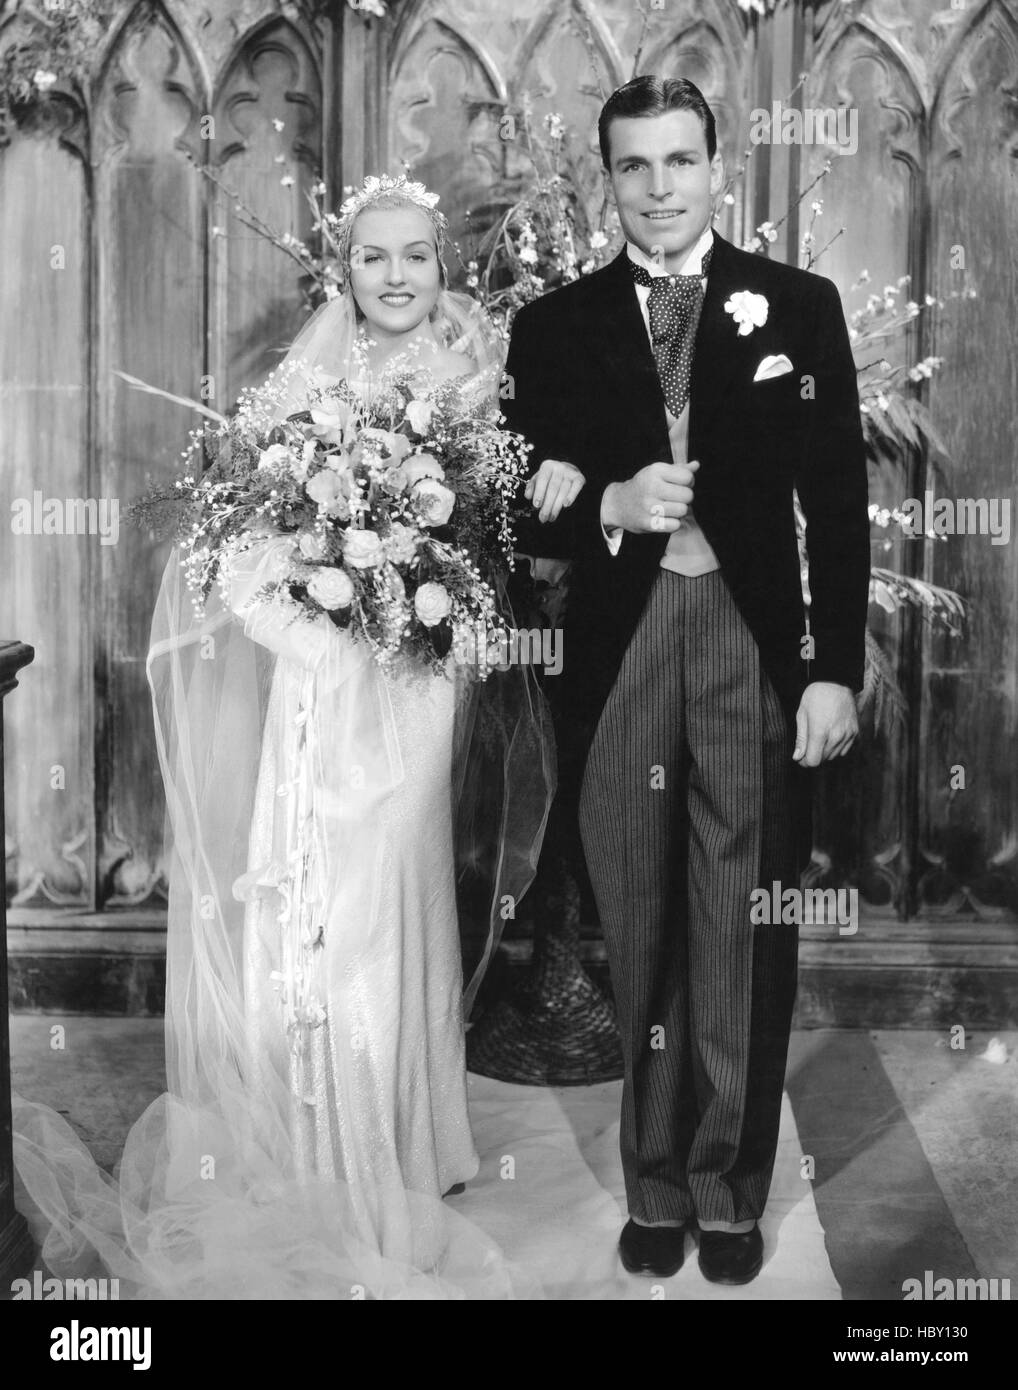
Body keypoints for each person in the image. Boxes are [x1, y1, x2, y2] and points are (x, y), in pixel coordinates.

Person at [12, 174, 554, 1299]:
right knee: (321, 903)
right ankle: (313, 1145)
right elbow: (228, 562)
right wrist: (320, 629)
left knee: (394, 892)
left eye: (415, 255)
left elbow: (495, 554)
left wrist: (424, 612)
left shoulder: (480, 383)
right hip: (323, 694)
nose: (396, 275)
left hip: (415, 686)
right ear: (342, 271)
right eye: (373, 258)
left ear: (440, 267)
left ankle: (404, 1140)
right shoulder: (304, 386)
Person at [503, 76, 870, 1285]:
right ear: (606, 178)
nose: (658, 189)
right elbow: (507, 499)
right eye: (632, 167)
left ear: (719, 165)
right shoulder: (554, 326)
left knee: (740, 926)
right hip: (620, 654)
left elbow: (836, 504)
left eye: (679, 162)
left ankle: (727, 1187)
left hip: (747, 647)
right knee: (641, 920)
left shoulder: (797, 309)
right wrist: (606, 500)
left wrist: (826, 671)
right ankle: (654, 1184)